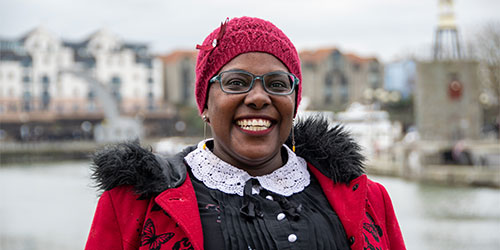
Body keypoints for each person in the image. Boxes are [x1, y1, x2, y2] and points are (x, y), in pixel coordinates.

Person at [85, 17, 406, 250]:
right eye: (236, 83)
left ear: (294, 104)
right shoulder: (133, 204)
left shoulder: (368, 199)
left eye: (278, 84)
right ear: (205, 105)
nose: (258, 97)